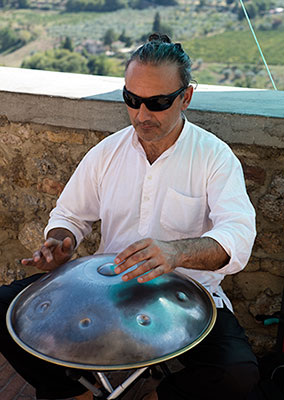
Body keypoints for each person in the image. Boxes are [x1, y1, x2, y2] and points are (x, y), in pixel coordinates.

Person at [0, 33, 260, 400]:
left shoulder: (213, 158)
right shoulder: (107, 152)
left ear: (185, 97)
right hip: (107, 288)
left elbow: (237, 235)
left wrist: (175, 252)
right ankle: (75, 393)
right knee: (5, 308)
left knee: (238, 374)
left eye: (157, 102)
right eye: (132, 100)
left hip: (187, 294)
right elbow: (69, 214)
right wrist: (61, 241)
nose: (142, 114)